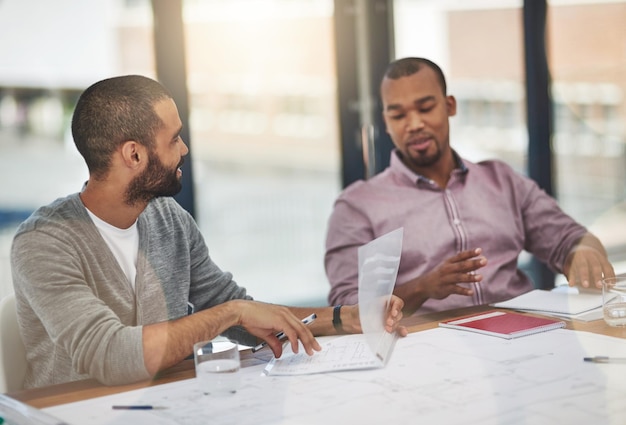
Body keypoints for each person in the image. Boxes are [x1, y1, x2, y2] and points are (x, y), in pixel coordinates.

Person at [10, 75, 407, 389]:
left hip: (169, 405)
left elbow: (243, 316)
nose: (184, 150)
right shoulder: (43, 242)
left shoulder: (169, 220)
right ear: (134, 154)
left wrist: (347, 318)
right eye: (174, 139)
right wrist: (232, 312)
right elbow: (112, 356)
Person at [325, 57, 615, 316]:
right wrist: (423, 287)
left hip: (523, 336)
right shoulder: (358, 205)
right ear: (386, 122)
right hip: (426, 353)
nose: (413, 124)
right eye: (398, 115)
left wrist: (582, 252)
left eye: (425, 108)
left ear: (449, 105)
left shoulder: (502, 180)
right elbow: (347, 306)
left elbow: (569, 237)